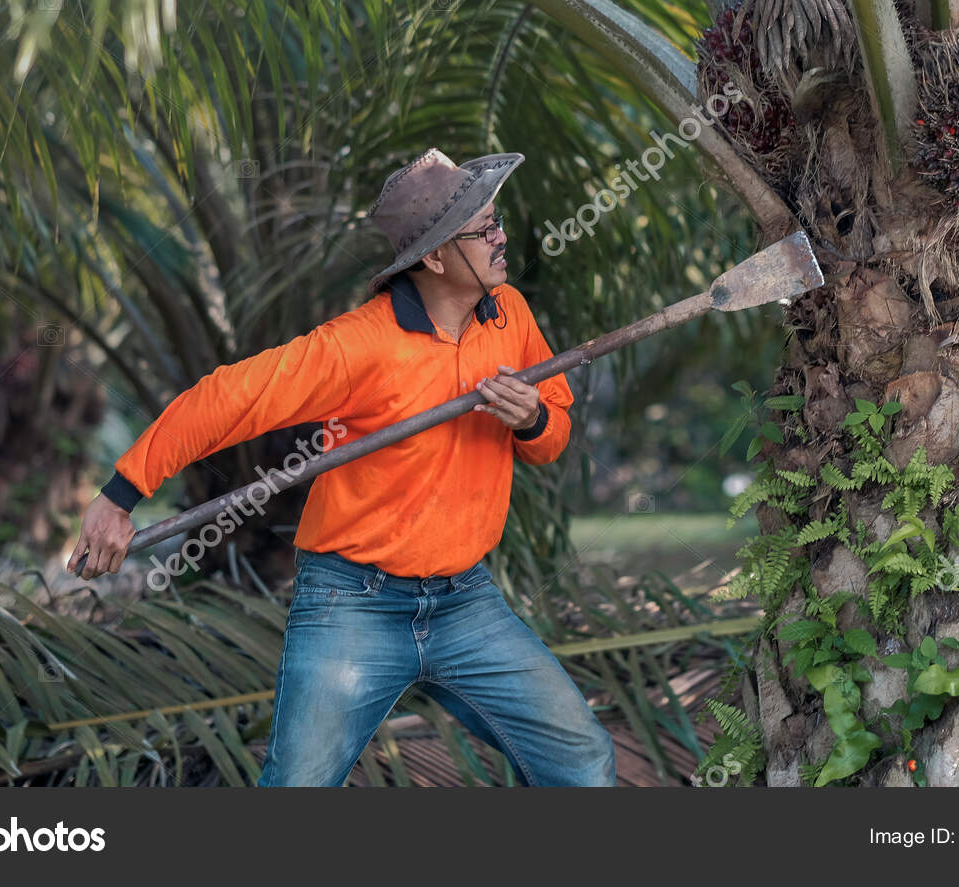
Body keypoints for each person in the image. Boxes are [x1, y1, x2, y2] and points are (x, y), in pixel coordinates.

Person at [67, 148, 616, 787]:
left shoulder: (509, 315)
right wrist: (118, 495)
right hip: (352, 604)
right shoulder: (358, 345)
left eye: (498, 222)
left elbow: (552, 436)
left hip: (465, 601)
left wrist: (531, 421)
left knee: (582, 764)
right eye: (484, 229)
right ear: (435, 257)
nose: (502, 238)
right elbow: (226, 399)